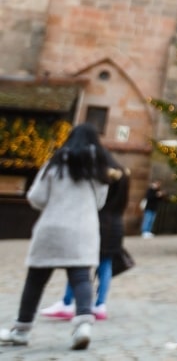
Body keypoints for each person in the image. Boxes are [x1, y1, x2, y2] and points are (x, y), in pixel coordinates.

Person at [0, 123, 113, 351]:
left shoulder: (55, 162)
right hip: (83, 228)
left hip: (53, 227)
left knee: (35, 281)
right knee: (82, 277)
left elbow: (37, 197)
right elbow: (100, 202)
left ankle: (21, 329)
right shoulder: (100, 169)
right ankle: (82, 326)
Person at [40, 159, 130, 321]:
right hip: (116, 224)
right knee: (105, 265)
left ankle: (67, 302)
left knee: (80, 264)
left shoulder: (103, 176)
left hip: (98, 223)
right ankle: (100, 305)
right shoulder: (124, 175)